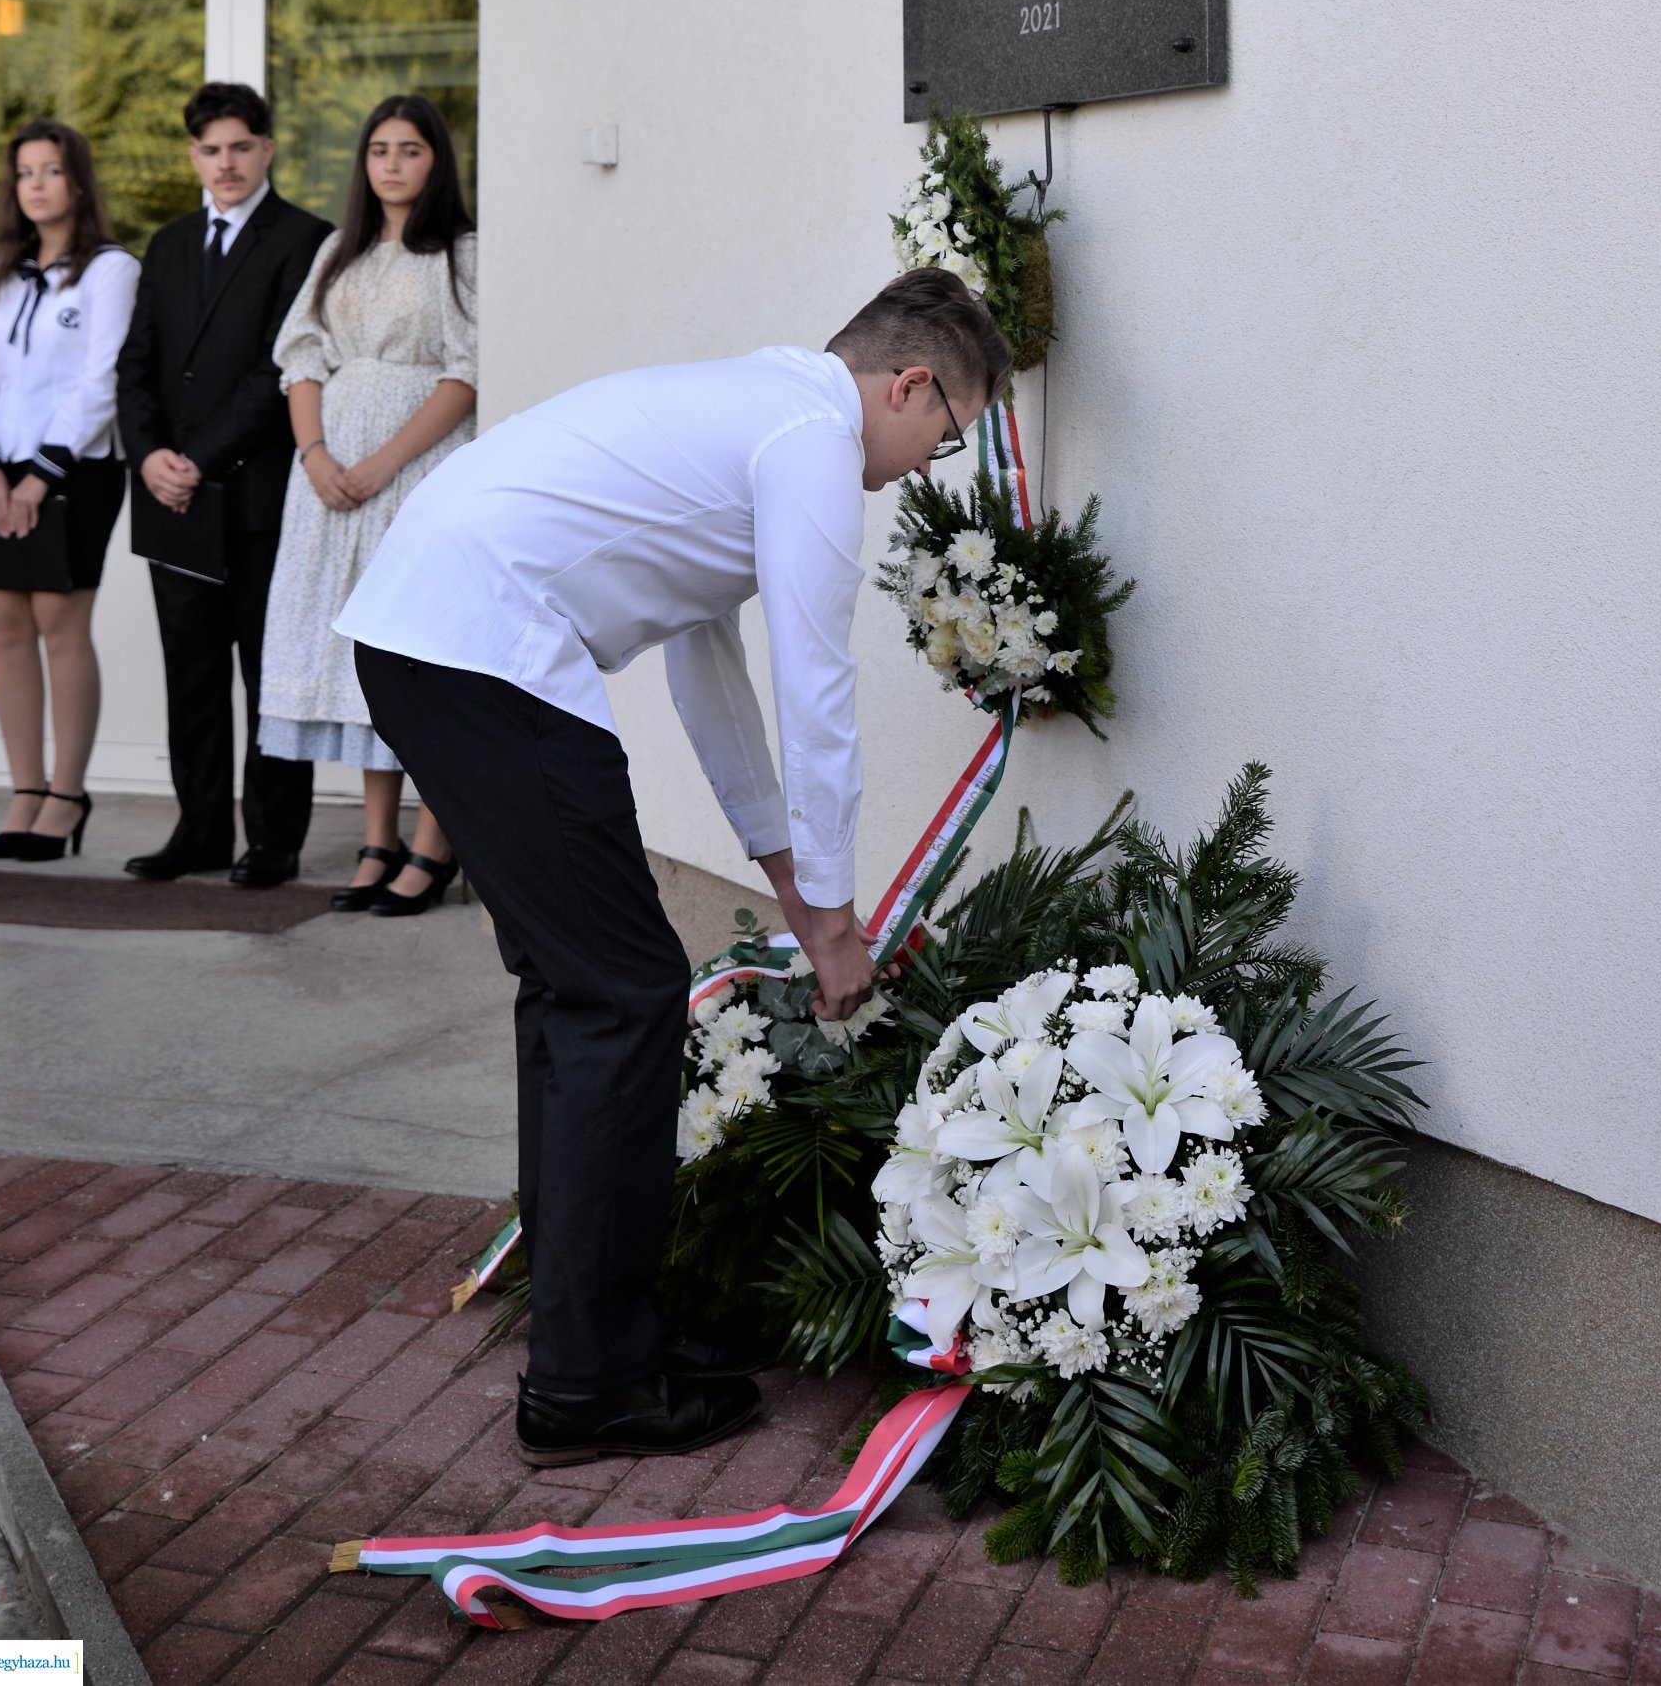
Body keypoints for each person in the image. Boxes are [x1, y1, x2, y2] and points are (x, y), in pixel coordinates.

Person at [336, 265, 1011, 1469]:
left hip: (438, 637)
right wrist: (844, 915)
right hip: (481, 645)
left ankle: (600, 1324)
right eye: (944, 431)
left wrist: (802, 896)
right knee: (621, 994)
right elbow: (817, 686)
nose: (926, 459)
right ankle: (589, 1383)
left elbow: (712, 678)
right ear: (906, 382)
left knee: (582, 990)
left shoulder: (752, 409)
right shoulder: (808, 437)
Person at [257, 95, 477, 916]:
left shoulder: (460, 252)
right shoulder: (336, 252)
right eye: (379, 149)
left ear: (436, 161)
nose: (391, 163)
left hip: (414, 472)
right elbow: (301, 358)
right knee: (356, 652)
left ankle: (432, 844)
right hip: (328, 480)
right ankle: (376, 838)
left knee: (412, 652)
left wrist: (382, 463)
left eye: (410, 149)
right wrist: (316, 456)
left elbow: (466, 372)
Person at [114, 83, 331, 887]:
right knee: (191, 674)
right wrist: (149, 458)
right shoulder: (168, 244)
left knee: (266, 673)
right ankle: (198, 831)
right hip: (171, 499)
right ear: (193, 157)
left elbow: (281, 367)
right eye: (210, 149)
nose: (226, 162)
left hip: (258, 497)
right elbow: (135, 367)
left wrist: (196, 458)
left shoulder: (307, 240)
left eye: (241, 146)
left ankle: (272, 842)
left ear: (267, 149)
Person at [0, 121, 139, 862]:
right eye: (25, 172)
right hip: (1, 478)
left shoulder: (110, 271)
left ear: (78, 181)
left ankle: (67, 794)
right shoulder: (4, 272)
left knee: (59, 623)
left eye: (52, 170)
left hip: (77, 473)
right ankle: (23, 790)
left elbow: (101, 382)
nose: (36, 184)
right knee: (6, 625)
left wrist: (40, 476)